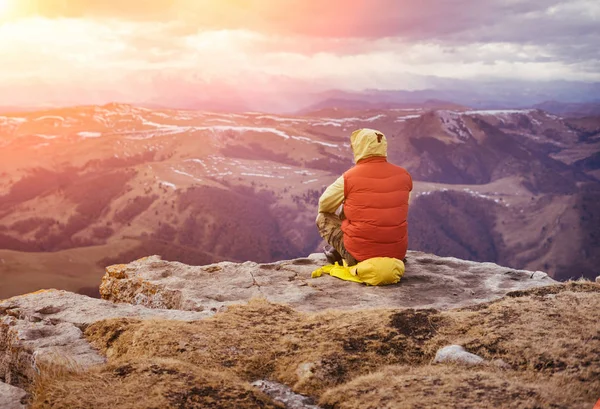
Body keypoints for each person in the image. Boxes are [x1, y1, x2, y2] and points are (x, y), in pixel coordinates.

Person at [316, 128, 412, 266]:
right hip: (396, 256)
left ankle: (340, 252)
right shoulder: (404, 175)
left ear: (360, 147)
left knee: (324, 216)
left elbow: (324, 205)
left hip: (359, 258)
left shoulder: (349, 177)